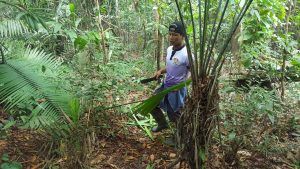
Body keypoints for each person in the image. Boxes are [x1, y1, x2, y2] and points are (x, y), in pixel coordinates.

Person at [151, 21, 190, 132]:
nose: (171, 38)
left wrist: (182, 85)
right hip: (166, 84)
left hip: (177, 90)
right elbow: (171, 66)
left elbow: (192, 73)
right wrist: (161, 71)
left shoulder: (187, 54)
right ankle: (162, 124)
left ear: (183, 36)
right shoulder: (169, 49)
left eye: (175, 35)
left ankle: (180, 138)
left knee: (175, 115)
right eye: (170, 34)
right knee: (152, 104)